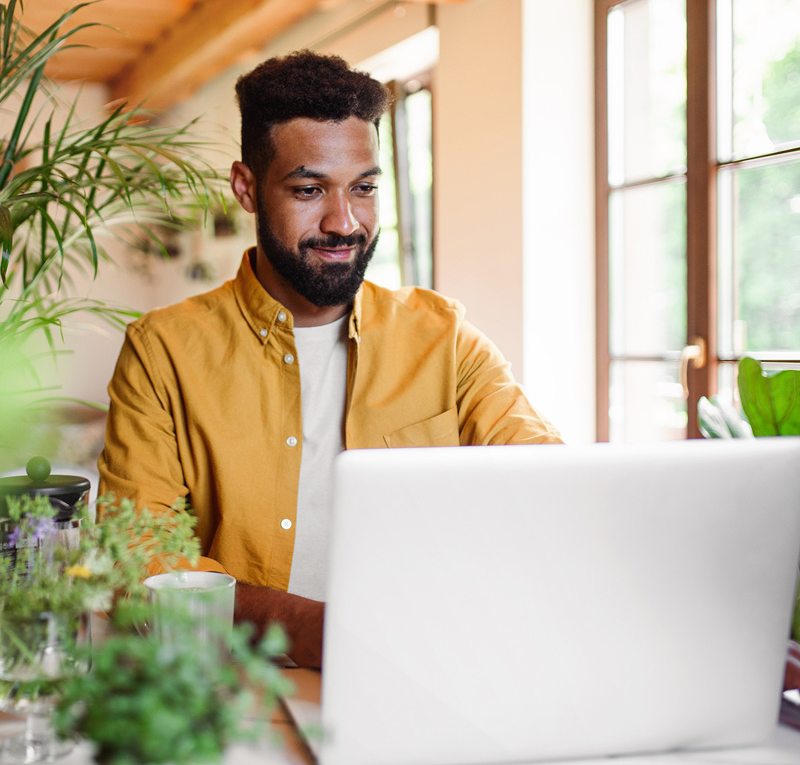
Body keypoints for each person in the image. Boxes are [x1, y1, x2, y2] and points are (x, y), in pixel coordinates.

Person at [98, 50, 562, 668]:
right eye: (310, 189)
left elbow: (548, 487)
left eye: (365, 188)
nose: (344, 222)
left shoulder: (445, 340)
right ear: (247, 188)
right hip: (239, 687)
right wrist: (314, 631)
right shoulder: (163, 352)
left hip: (421, 669)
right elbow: (138, 556)